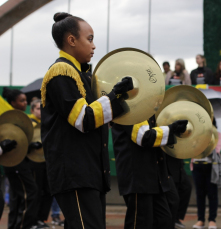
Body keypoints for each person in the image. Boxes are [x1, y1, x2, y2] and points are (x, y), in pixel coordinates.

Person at [41, 12, 133, 228]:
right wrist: (114, 98)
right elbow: (84, 119)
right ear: (71, 40)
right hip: (74, 172)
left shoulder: (83, 75)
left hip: (87, 172)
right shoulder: (61, 71)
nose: (93, 46)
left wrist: (116, 97)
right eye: (89, 39)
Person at [111, 117, 188, 229]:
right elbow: (144, 137)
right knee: (140, 223)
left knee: (164, 220)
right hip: (138, 176)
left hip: (154, 175)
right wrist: (171, 129)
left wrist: (173, 129)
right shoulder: (131, 109)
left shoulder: (148, 110)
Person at [2, 87, 40, 229]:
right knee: (30, 193)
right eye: (21, 101)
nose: (25, 103)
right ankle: (23, 225)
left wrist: (30, 146)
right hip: (14, 164)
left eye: (25, 100)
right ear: (12, 103)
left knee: (17, 197)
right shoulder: (8, 120)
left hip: (21, 161)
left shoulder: (20, 119)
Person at [191, 118, 221, 229]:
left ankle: (212, 220)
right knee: (200, 194)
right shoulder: (194, 133)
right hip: (197, 165)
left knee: (212, 194)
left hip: (211, 167)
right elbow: (192, 148)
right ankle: (200, 220)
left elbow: (217, 149)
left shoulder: (217, 134)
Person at [28, 99, 52, 228]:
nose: (41, 111)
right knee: (35, 192)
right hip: (33, 162)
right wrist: (30, 145)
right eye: (38, 109)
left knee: (48, 191)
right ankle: (32, 220)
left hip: (47, 161)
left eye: (42, 108)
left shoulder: (48, 122)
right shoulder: (28, 123)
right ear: (32, 110)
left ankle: (41, 219)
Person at [165, 154, 192, 229]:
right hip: (167, 164)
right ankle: (171, 222)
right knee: (173, 198)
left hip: (178, 163)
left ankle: (176, 218)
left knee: (186, 187)